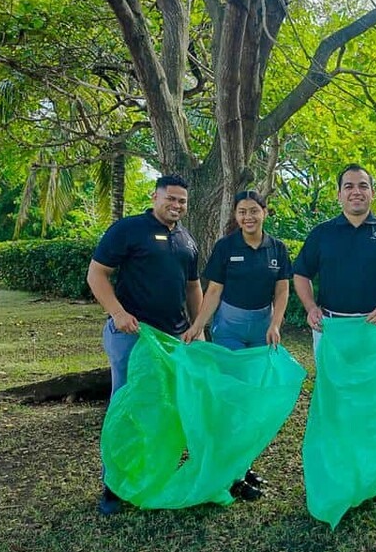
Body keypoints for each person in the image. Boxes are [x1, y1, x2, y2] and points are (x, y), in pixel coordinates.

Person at [293, 163, 376, 505]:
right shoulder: (322, 234)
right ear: (339, 194)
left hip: (374, 330)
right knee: (335, 403)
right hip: (331, 330)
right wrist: (310, 306)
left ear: (372, 192)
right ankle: (338, 473)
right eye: (349, 186)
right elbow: (300, 274)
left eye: (362, 185)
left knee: (373, 403)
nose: (356, 191)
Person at [86, 174, 204, 515]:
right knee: (127, 409)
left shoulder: (186, 239)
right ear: (155, 197)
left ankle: (152, 474)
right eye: (171, 198)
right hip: (133, 337)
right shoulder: (128, 229)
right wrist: (117, 312)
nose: (176, 205)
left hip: (172, 342)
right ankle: (114, 485)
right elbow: (96, 274)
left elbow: (192, 287)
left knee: (166, 409)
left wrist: (198, 327)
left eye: (182, 201)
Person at [188, 190, 292, 501]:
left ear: (265, 212)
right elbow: (214, 291)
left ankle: (243, 465)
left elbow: (282, 291)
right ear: (236, 215)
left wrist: (275, 325)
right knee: (232, 399)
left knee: (252, 400)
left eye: (253, 211)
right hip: (229, 329)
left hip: (262, 330)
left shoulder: (277, 248)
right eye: (242, 211)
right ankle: (229, 473)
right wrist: (198, 325)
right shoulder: (226, 247)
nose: (248, 217)